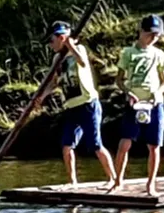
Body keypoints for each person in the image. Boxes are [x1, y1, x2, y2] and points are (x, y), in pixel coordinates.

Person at [110, 14, 164, 196]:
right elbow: (119, 79)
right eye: (150, 34)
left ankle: (150, 185)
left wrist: (158, 92)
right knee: (125, 143)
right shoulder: (128, 53)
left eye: (157, 35)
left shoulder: (159, 54)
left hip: (154, 105)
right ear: (141, 31)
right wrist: (127, 92)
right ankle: (117, 182)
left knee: (154, 145)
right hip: (134, 104)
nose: (153, 38)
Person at [48, 21, 116, 188]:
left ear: (61, 38)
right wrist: (40, 97)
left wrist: (71, 47)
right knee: (66, 145)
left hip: (88, 103)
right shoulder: (57, 59)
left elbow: (83, 63)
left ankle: (113, 179)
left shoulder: (80, 50)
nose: (50, 45)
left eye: (51, 40)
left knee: (95, 144)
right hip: (71, 106)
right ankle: (72, 181)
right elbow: (53, 83)